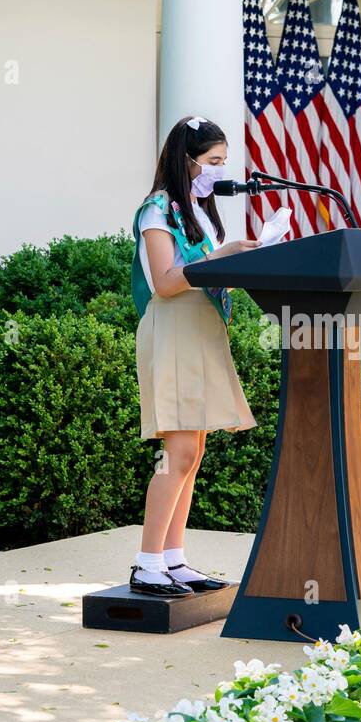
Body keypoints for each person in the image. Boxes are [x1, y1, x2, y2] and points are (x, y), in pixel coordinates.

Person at [128, 115, 259, 597]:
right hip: (175, 329)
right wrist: (219, 258)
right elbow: (165, 281)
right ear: (186, 161)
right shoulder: (157, 209)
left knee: (193, 451)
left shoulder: (198, 210)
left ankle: (173, 558)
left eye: (223, 162)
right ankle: (146, 564)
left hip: (201, 329)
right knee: (178, 451)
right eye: (212, 162)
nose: (219, 172)